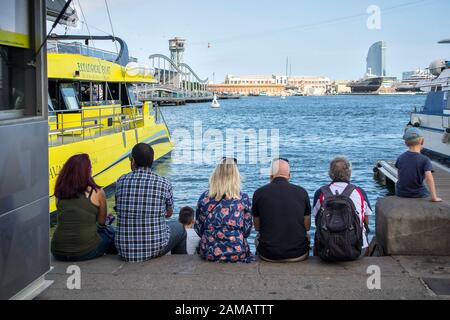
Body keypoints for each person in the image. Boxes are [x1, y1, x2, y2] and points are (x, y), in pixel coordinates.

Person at [115, 143, 187, 262]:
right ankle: (180, 263)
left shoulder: (121, 181)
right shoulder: (164, 183)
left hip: (124, 249)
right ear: (152, 161)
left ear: (133, 161)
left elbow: (119, 209)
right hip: (154, 248)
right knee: (180, 227)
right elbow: (169, 214)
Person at [51, 154, 116, 262]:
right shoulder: (96, 192)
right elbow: (101, 222)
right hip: (85, 251)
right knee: (110, 232)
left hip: (58, 251)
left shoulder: (59, 192)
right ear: (87, 172)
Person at [195, 158, 254, 263]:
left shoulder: (204, 197)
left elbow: (198, 228)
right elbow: (247, 231)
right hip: (237, 252)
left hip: (210, 252)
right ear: (235, 177)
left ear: (216, 176)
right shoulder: (243, 199)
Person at [313, 156, 372, 260]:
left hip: (327, 249)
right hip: (357, 249)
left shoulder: (320, 193)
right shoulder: (359, 192)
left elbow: (317, 219)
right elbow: (365, 219)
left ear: (330, 173)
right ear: (349, 172)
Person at [252, 158, 311, 262]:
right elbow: (307, 226)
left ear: (271, 175)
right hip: (298, 254)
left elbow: (257, 227)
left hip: (268, 255)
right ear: (289, 176)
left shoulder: (259, 193)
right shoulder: (302, 192)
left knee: (257, 237)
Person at [395, 127, 442, 202]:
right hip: (417, 193)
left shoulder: (400, 157)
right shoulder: (425, 159)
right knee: (426, 191)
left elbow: (400, 174)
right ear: (422, 141)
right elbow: (429, 179)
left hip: (400, 192)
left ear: (405, 143)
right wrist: (434, 197)